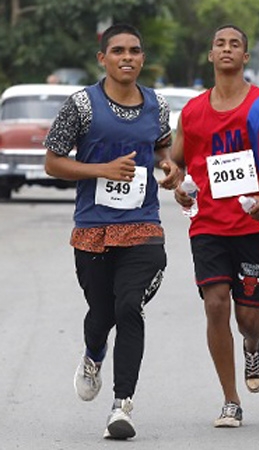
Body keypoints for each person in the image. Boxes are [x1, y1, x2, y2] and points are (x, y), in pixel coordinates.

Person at [43, 23, 180, 440]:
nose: (127, 57)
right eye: (118, 50)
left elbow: (161, 147)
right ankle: (93, 354)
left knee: (129, 307)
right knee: (101, 315)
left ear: (142, 58)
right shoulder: (82, 105)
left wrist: (169, 166)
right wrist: (100, 170)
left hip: (143, 226)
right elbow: (52, 162)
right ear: (102, 58)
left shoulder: (156, 105)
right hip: (93, 228)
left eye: (134, 51)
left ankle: (122, 405)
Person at [171, 24, 259, 428]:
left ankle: (254, 342)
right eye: (220, 44)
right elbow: (176, 163)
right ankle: (230, 400)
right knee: (215, 304)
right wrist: (178, 186)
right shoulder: (191, 112)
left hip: (255, 226)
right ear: (211, 55)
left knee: (246, 318)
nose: (226, 49)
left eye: (235, 44)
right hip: (208, 225)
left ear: (245, 56)